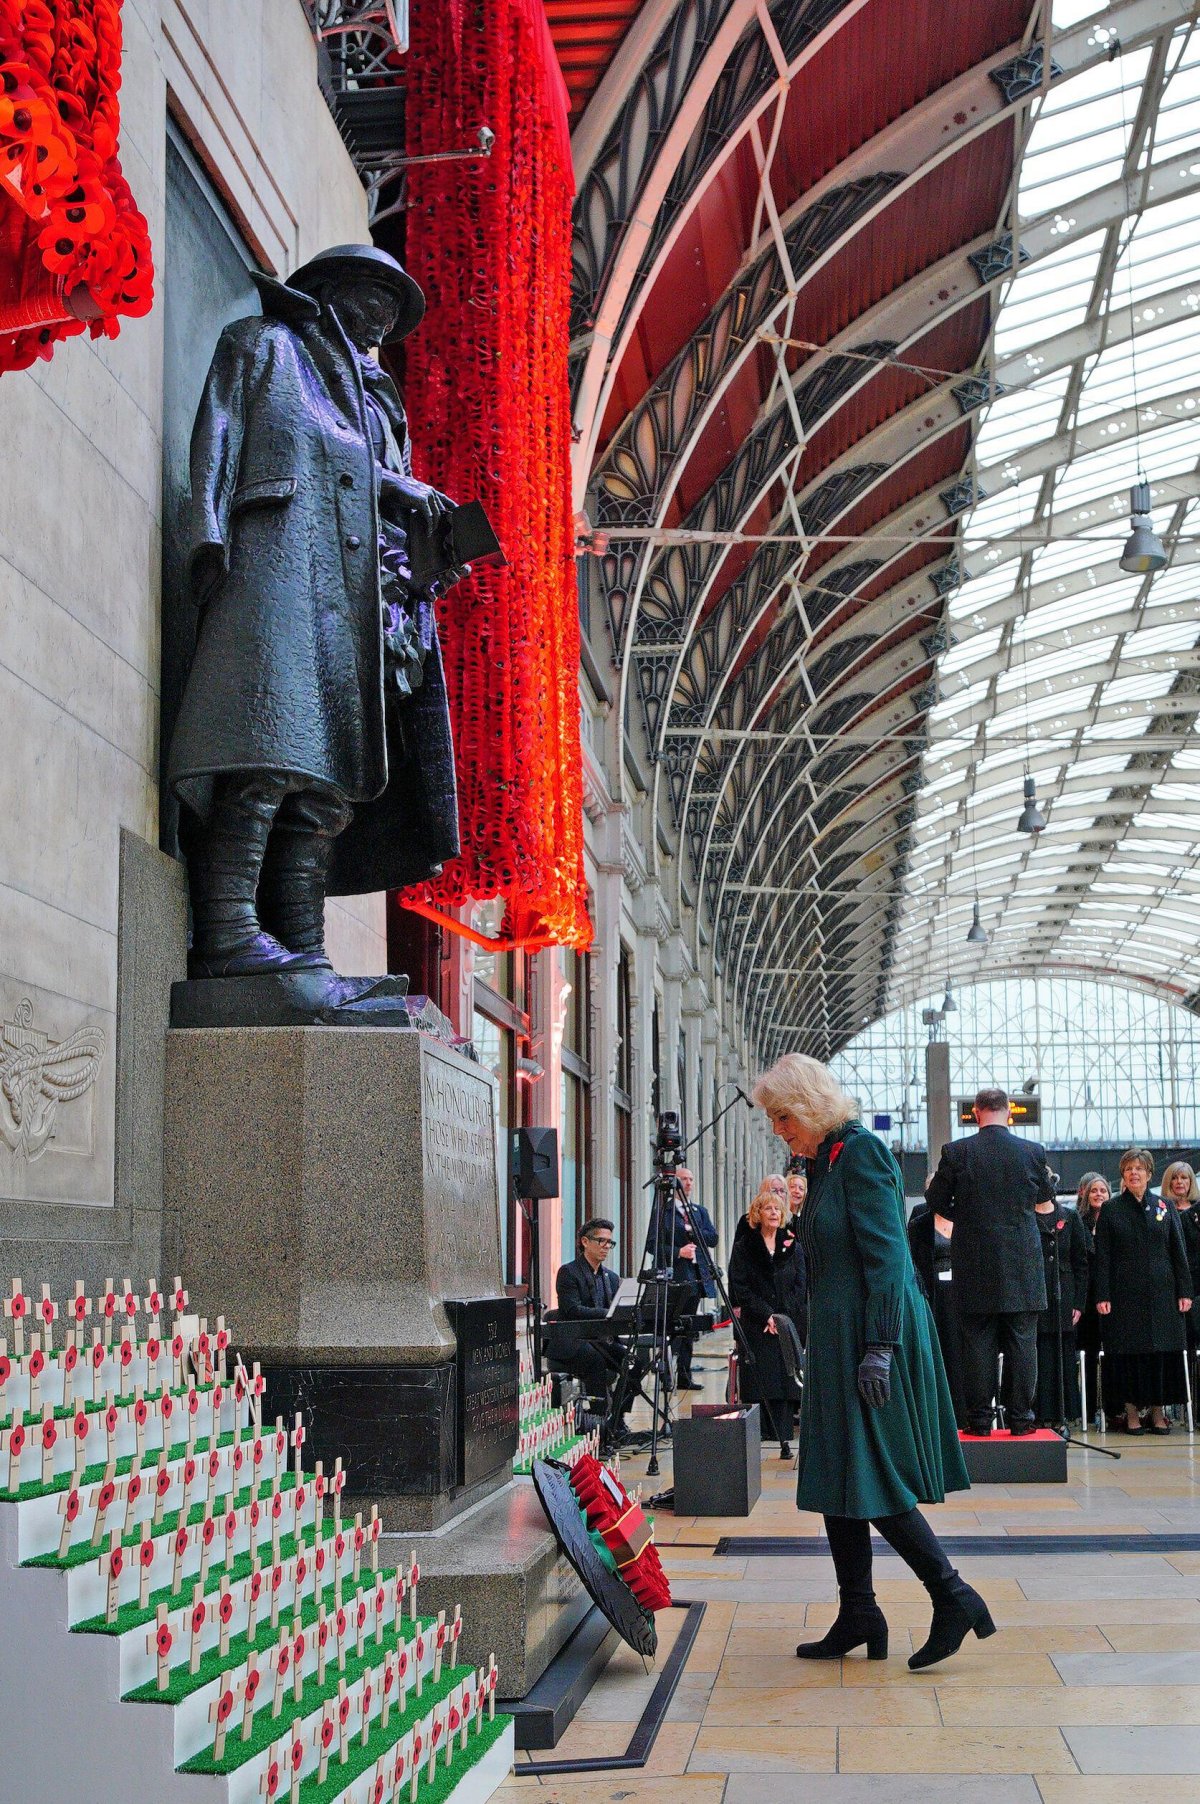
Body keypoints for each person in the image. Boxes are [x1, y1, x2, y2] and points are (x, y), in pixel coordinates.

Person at [168, 245, 462, 1001]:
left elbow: (378, 501)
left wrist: (427, 556)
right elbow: (232, 439)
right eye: (375, 298)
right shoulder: (268, 346)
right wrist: (204, 540)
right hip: (280, 574)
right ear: (332, 290)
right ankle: (230, 931)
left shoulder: (378, 400)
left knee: (328, 790)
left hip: (354, 610)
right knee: (266, 754)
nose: (383, 319)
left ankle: (303, 948)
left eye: (394, 312)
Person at [752, 1054, 988, 1673]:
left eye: (782, 1117)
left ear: (806, 1107)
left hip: (869, 1335)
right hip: (836, 1336)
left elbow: (887, 1258)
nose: (778, 1130)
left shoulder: (862, 1153)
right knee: (836, 1473)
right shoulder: (822, 1161)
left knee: (875, 1474)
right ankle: (858, 1611)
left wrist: (880, 1348)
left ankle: (953, 1596)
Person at [924, 1086, 1055, 1436]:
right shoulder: (1032, 1152)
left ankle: (980, 1421)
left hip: (975, 1261)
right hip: (1022, 1263)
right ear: (1008, 1111)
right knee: (1023, 1343)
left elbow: (935, 1198)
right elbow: (1045, 1197)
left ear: (976, 1112)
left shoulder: (957, 1152)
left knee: (977, 1343)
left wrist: (964, 1215)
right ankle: (1022, 1420)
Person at [1095, 1149, 1193, 1434]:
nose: (1134, 1173)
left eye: (1139, 1169)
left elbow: (1178, 1250)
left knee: (1160, 1353)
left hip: (1163, 1293)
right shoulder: (1112, 1209)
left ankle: (1158, 1412)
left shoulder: (1164, 1206)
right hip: (1124, 1294)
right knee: (1128, 1353)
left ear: (1149, 1174)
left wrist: (1184, 1290)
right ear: (1123, 1175)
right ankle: (1131, 1412)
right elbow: (1103, 1256)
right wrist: (1103, 1294)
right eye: (1129, 1169)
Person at [728, 1178, 807, 1459]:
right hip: (758, 1322)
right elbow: (740, 1286)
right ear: (757, 1214)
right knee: (762, 1374)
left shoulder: (792, 1245)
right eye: (768, 1208)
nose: (774, 1212)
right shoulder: (744, 1247)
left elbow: (801, 1282)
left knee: (786, 1376)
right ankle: (760, 1432)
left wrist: (782, 1315)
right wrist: (767, 1314)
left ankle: (784, 1434)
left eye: (777, 1209)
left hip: (787, 1321)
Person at [546, 1219, 644, 1438]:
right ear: (585, 1242)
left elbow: (614, 1312)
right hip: (575, 1341)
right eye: (601, 1241)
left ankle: (616, 1419)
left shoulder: (611, 1277)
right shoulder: (568, 1272)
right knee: (596, 1362)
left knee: (635, 1364)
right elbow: (572, 1310)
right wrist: (609, 1313)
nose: (606, 1246)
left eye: (610, 1242)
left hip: (602, 1341)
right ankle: (597, 1423)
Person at [906, 1197, 967, 1428]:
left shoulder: (964, 1220)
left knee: (958, 1352)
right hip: (932, 1296)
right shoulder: (920, 1222)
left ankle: (961, 1413)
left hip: (960, 1297)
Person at [1032, 1194, 1091, 1426]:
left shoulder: (1070, 1217)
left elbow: (1081, 1263)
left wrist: (1079, 1302)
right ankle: (1037, 1413)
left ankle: (1063, 1414)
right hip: (1034, 1294)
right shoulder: (1026, 1216)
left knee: (1062, 1353)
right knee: (1038, 1354)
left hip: (1063, 1295)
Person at [672, 1166, 719, 1389]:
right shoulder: (664, 1211)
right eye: (684, 1179)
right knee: (672, 1328)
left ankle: (685, 1375)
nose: (688, 1183)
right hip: (675, 1276)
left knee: (689, 1328)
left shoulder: (699, 1211)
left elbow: (713, 1237)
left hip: (695, 1276)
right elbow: (653, 1243)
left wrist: (693, 1232)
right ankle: (668, 1375)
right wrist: (677, 1252)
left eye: (691, 1179)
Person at [1074, 1171, 1113, 1428]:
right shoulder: (1078, 1222)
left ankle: (1112, 1408)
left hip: (1112, 1297)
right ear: (1085, 1194)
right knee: (1088, 1354)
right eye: (1094, 1190)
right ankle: (1087, 1409)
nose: (1099, 1194)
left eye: (1103, 1190)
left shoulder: (1116, 1220)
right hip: (1087, 1299)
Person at [1163, 1161, 1200, 1361]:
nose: (1179, 1182)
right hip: (1172, 1281)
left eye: (1184, 1177)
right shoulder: (1162, 1209)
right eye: (1175, 1177)